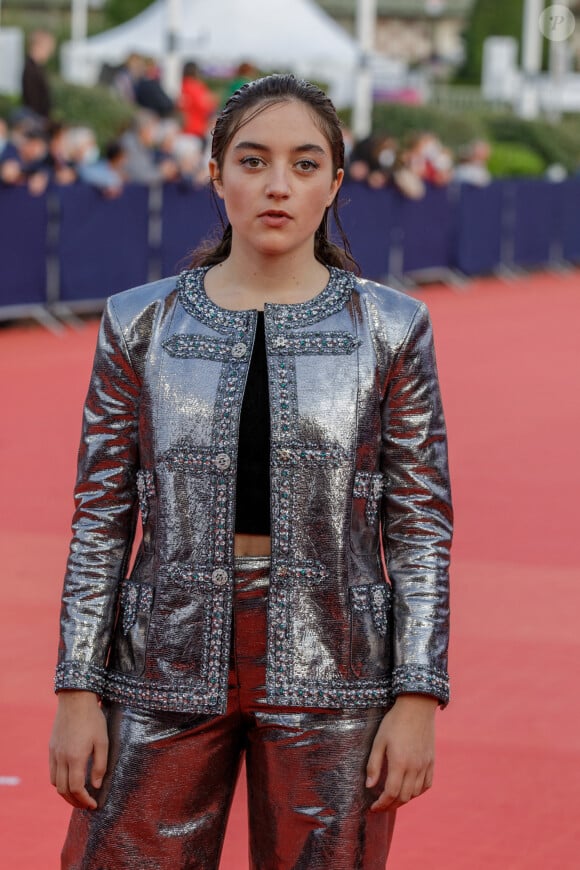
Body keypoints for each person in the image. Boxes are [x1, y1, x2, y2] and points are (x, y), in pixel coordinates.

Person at [49, 74, 452, 869]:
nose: (277, 186)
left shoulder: (391, 328)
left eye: (305, 165)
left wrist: (418, 695)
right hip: (160, 657)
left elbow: (419, 523)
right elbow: (100, 515)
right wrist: (74, 689)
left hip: (339, 665)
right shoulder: (140, 321)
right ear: (215, 172)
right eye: (253, 160)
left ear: (335, 182)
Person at [21, 29, 56, 120]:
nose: (50, 53)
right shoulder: (31, 69)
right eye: (48, 49)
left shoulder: (36, 68)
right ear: (38, 46)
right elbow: (34, 100)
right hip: (35, 118)